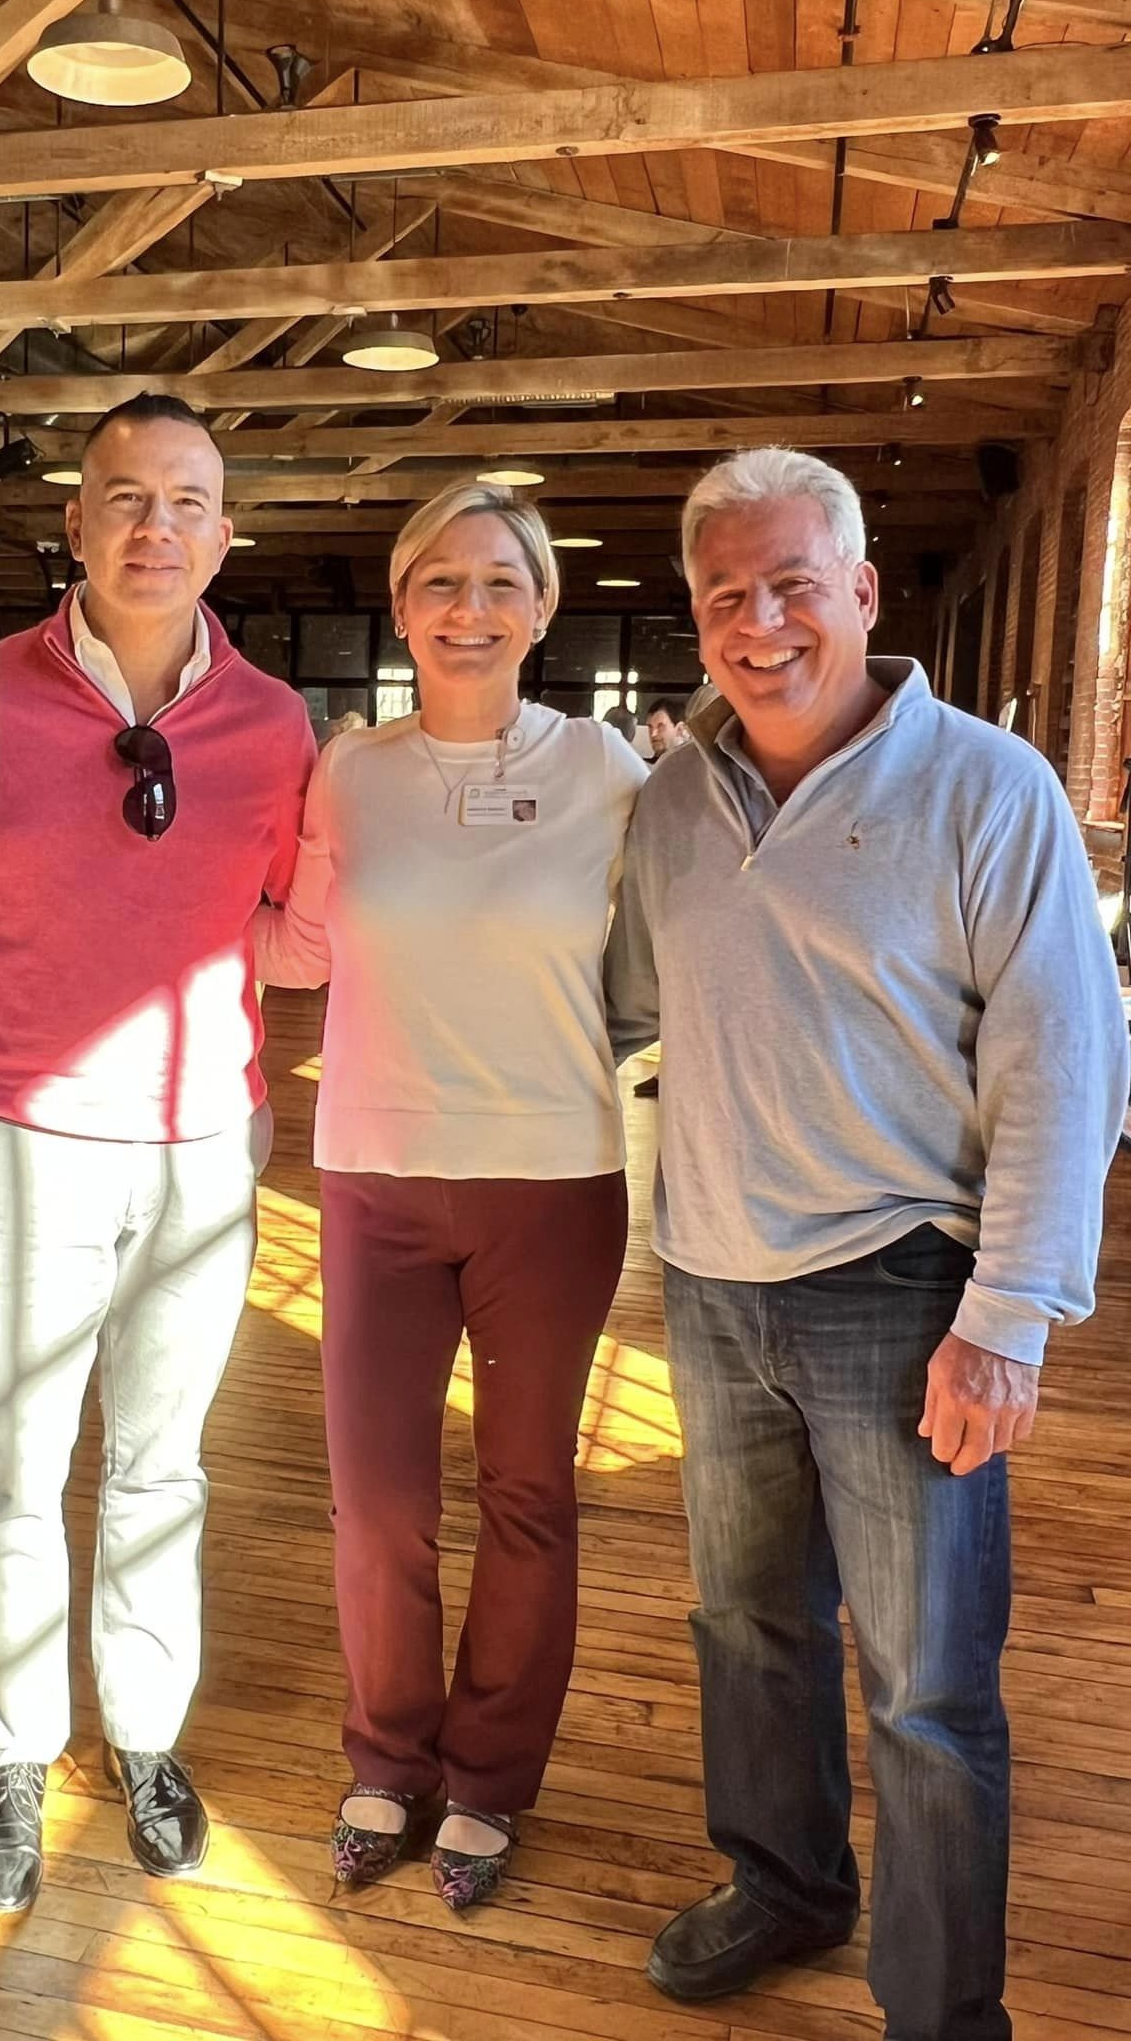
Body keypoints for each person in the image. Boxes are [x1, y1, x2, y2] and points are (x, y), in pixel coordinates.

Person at [604, 448, 1128, 2041]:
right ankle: (785, 1882)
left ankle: (943, 2011)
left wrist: (1009, 1316)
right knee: (748, 1625)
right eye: (726, 596)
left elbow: (1063, 1062)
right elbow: (631, 1008)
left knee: (928, 1686)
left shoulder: (987, 787)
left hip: (906, 1291)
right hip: (715, 1277)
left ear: (863, 592)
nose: (760, 623)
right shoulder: (673, 803)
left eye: (792, 586)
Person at [0, 392, 314, 1915]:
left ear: (224, 538)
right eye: (126, 497)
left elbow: (285, 922)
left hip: (201, 1146)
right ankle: (12, 1755)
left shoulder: (275, 726)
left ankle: (146, 1735)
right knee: (10, 1472)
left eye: (186, 501)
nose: (156, 526)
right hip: (17, 1139)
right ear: (74, 525)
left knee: (162, 1468)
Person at [252, 479, 648, 1912]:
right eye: (440, 582)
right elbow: (299, 946)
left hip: (554, 1181)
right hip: (375, 1177)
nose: (468, 610)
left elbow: (668, 955)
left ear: (543, 608)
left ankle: (488, 1779)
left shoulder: (610, 771)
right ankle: (388, 1758)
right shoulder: (349, 771)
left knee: (531, 1491)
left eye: (499, 584)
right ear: (402, 605)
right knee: (378, 1503)